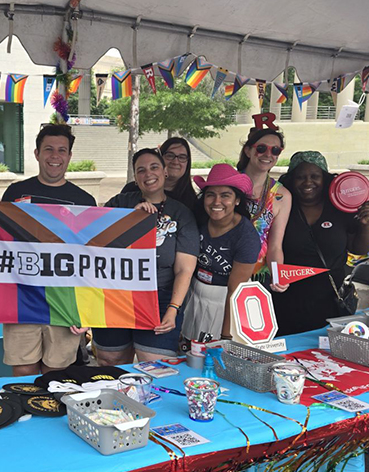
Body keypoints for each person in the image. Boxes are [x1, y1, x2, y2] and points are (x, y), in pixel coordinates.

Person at [1, 124, 96, 376]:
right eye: (49, 149)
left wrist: (86, 311)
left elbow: (92, 261)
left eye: (62, 150)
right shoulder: (15, 192)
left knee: (56, 375)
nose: (55, 156)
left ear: (69, 156)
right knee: (23, 372)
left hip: (64, 303)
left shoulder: (85, 201)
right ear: (36, 153)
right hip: (23, 299)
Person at [92, 148, 198, 364]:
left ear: (165, 171)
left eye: (154, 167)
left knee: (154, 364)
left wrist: (173, 310)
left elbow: (184, 269)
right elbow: (95, 246)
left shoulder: (181, 213)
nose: (148, 174)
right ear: (135, 177)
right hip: (115, 295)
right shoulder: (119, 204)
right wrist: (130, 220)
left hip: (160, 298)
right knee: (110, 360)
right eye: (141, 170)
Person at [272, 151, 369, 335]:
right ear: (291, 180)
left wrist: (365, 225)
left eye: (315, 176)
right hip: (285, 301)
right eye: (300, 177)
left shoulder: (340, 207)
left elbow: (359, 249)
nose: (308, 182)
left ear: (325, 178)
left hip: (329, 301)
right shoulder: (282, 205)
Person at [181, 163, 260, 342]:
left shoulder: (246, 236)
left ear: (237, 200)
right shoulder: (198, 219)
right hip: (194, 296)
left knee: (214, 357)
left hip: (224, 304)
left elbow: (235, 291)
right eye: (211, 195)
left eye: (225, 196)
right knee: (188, 354)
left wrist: (226, 335)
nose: (217, 202)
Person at [236, 115, 292, 291]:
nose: (268, 154)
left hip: (256, 278)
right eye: (261, 148)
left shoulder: (282, 195)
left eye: (275, 150)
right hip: (223, 271)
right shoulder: (229, 184)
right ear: (248, 151)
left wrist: (278, 275)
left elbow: (275, 245)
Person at [121, 137, 197, 208]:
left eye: (182, 157)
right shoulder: (129, 192)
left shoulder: (192, 202)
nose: (175, 161)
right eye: (170, 155)